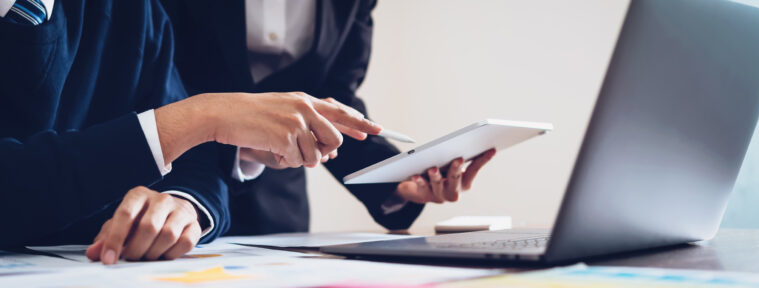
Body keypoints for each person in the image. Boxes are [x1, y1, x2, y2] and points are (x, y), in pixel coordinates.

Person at [0, 0, 378, 264]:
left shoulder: (138, 11)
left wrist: (183, 203)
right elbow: (184, 123)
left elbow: (192, 151)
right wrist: (202, 117)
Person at [159, 0, 497, 235]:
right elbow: (152, 78)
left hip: (279, 211)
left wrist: (395, 181)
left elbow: (334, 103)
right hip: (164, 192)